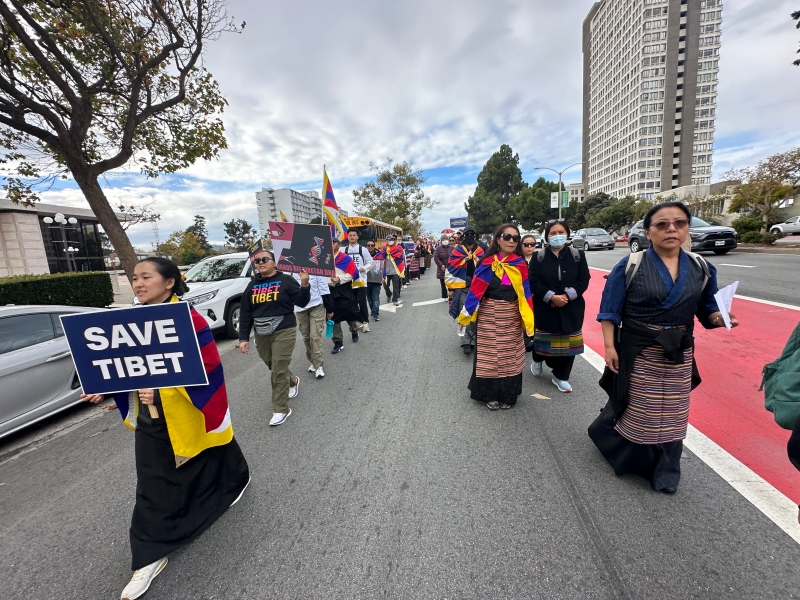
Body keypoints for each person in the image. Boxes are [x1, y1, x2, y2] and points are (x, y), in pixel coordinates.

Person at [82, 257, 250, 600]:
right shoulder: (124, 323)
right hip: (151, 421)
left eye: (146, 277)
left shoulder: (190, 320)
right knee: (153, 486)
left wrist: (162, 389)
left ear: (170, 282)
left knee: (212, 449)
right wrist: (106, 383)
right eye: (134, 278)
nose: (138, 283)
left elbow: (208, 366)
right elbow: (123, 365)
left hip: (184, 410)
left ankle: (236, 480)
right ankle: (149, 556)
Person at [588, 201, 739, 494]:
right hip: (640, 349)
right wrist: (609, 348)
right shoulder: (630, 265)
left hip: (679, 351)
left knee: (674, 410)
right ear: (648, 232)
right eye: (662, 224)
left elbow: (707, 309)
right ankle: (631, 458)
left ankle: (666, 468)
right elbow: (609, 311)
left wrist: (721, 318)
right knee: (642, 408)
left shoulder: (701, 267)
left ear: (687, 228)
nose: (671, 229)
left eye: (680, 223)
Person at [457, 224, 534, 410]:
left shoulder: (520, 263)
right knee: (490, 357)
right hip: (488, 316)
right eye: (507, 237)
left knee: (509, 357)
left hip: (512, 317)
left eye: (516, 238)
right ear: (498, 239)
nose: (511, 241)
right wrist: (465, 317)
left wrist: (528, 322)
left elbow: (526, 294)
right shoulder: (485, 262)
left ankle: (507, 395)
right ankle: (489, 394)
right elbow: (475, 291)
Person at [238, 242, 311, 426]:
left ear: (274, 263)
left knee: (278, 369)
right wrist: (243, 338)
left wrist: (305, 284)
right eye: (257, 260)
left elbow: (302, 303)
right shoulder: (252, 285)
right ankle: (292, 381)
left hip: (283, 329)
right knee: (272, 364)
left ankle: (281, 409)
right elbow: (246, 313)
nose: (260, 262)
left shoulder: (287, 280)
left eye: (264, 259)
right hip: (261, 332)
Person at [528, 219, 591, 393]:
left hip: (572, 307)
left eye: (561, 232)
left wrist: (567, 296)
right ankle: (537, 357)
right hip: (545, 307)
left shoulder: (577, 255)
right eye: (553, 233)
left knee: (569, 346)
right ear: (547, 236)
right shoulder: (538, 256)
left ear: (567, 234)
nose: (557, 236)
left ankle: (561, 376)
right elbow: (533, 281)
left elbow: (584, 280)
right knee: (543, 342)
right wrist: (551, 297)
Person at [446, 225, 488, 355]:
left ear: (475, 236)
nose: (469, 236)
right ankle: (466, 342)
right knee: (465, 312)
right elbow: (451, 268)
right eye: (467, 234)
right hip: (462, 286)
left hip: (478, 286)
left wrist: (475, 259)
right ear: (463, 236)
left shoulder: (481, 251)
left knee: (477, 314)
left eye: (472, 234)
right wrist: (451, 288)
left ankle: (474, 339)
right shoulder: (457, 251)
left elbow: (486, 266)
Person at [293, 271, 334, 379]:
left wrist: (329, 309)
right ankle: (313, 361)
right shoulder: (288, 271)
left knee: (315, 336)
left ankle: (318, 365)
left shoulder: (316, 269)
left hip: (317, 305)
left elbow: (324, 290)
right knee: (306, 337)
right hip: (300, 309)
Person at [328, 237, 363, 353]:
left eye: (333, 242)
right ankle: (338, 342)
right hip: (329, 291)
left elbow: (353, 274)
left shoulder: (345, 258)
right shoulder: (323, 259)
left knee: (350, 314)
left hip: (344, 289)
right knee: (333, 317)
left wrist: (339, 278)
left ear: (338, 244)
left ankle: (354, 331)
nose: (331, 244)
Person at [345, 228, 373, 332]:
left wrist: (364, 268)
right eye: (350, 235)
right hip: (348, 281)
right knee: (352, 303)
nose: (352, 237)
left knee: (362, 302)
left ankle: (365, 322)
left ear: (357, 237)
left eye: (354, 235)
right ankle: (357, 320)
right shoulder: (343, 250)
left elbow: (371, 262)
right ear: (347, 237)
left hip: (360, 280)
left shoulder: (363, 250)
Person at [373, 234, 405, 306]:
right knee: (385, 286)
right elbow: (378, 257)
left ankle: (395, 299)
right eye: (390, 240)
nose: (391, 241)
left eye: (393, 239)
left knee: (396, 286)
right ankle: (389, 294)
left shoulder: (399, 248)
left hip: (395, 271)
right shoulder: (383, 249)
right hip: (386, 271)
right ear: (387, 240)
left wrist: (403, 268)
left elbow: (401, 258)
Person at [365, 240, 383, 321]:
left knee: (376, 297)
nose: (370, 247)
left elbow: (383, 267)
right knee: (369, 298)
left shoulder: (379, 255)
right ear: (366, 246)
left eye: (372, 245)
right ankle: (373, 309)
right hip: (366, 281)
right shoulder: (363, 256)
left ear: (374, 246)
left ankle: (375, 313)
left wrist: (383, 276)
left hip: (376, 281)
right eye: (368, 245)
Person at [434, 234, 451, 300]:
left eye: (446, 239)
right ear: (441, 241)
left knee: (451, 281)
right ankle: (444, 296)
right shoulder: (438, 249)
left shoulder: (452, 248)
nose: (445, 241)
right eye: (443, 240)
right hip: (442, 268)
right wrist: (441, 265)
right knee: (443, 282)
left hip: (450, 268)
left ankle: (451, 295)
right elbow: (436, 258)